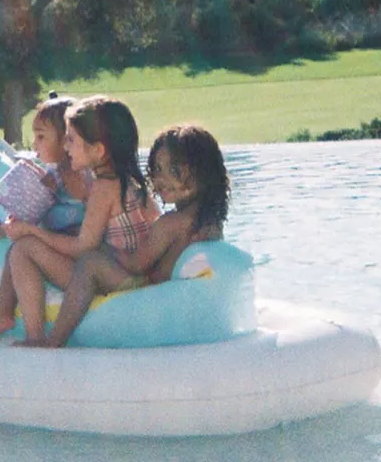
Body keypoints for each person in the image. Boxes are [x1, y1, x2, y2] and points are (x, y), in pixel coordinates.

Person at [23, 123, 231, 347]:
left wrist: (104, 248)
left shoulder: (171, 223)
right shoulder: (209, 221)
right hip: (169, 290)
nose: (161, 180)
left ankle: (54, 339)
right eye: (157, 170)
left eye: (173, 171)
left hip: (148, 290)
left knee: (91, 262)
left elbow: (136, 265)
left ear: (203, 173)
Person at [0, 95, 160, 345]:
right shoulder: (126, 179)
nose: (66, 147)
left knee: (23, 249)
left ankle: (39, 337)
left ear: (98, 150)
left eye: (71, 140)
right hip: (129, 270)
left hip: (121, 278)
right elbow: (153, 218)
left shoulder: (105, 187)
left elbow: (84, 246)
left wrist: (31, 231)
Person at [0, 94, 90, 342]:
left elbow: (90, 227)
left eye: (41, 137)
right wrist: (0, 228)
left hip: (83, 270)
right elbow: (24, 218)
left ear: (67, 140)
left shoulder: (81, 177)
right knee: (17, 249)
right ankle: (6, 316)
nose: (35, 145)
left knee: (21, 249)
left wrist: (64, 187)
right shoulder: (50, 177)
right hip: (62, 260)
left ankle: (32, 334)